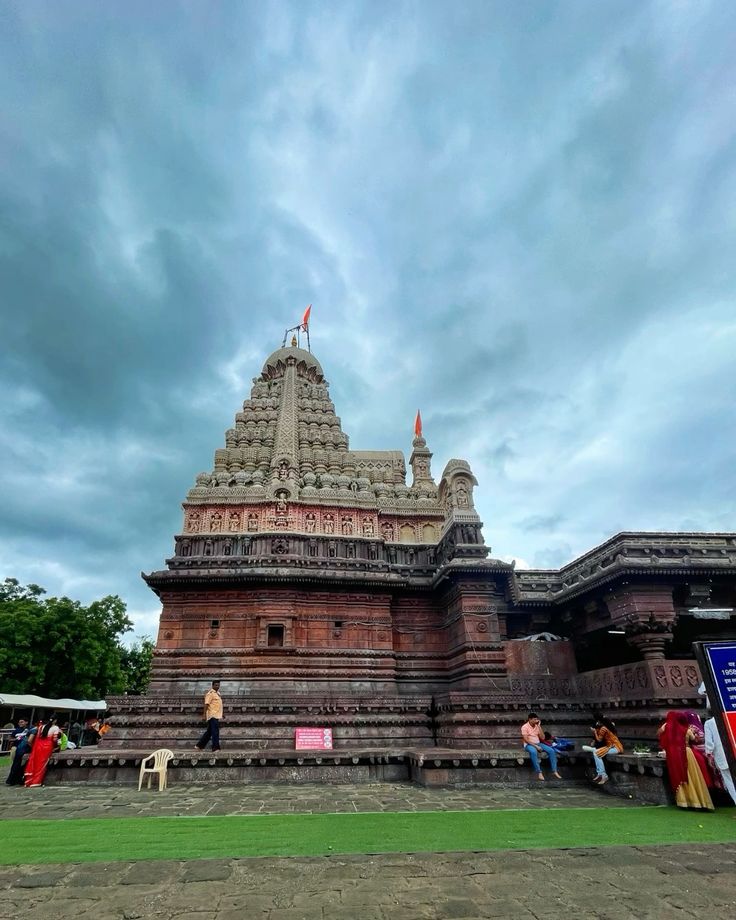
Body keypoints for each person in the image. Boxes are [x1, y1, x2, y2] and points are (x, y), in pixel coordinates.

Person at [659, 711, 714, 811]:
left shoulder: (667, 728)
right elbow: (695, 739)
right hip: (686, 753)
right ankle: (698, 801)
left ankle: (684, 802)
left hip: (674, 755)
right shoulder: (686, 729)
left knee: (679, 776)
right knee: (693, 776)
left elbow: (660, 735)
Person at [704, 713, 736, 806]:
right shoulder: (730, 718)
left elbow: (709, 743)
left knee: (729, 782)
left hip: (722, 755)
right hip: (733, 751)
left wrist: (709, 755)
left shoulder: (709, 723)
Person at [582, 715, 623, 785]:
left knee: (596, 753)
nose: (597, 723)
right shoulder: (609, 726)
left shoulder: (603, 728)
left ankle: (603, 775)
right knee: (595, 752)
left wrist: (594, 732)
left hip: (616, 748)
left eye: (598, 721)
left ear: (601, 722)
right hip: (611, 746)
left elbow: (599, 740)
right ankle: (600, 773)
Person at [521, 712, 561, 781]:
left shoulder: (537, 726)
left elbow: (543, 738)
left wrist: (539, 726)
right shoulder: (524, 727)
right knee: (533, 752)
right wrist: (536, 747)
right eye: (534, 719)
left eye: (537, 719)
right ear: (530, 719)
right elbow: (526, 740)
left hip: (538, 743)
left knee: (551, 750)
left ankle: (554, 771)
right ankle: (539, 772)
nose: (536, 721)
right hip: (529, 745)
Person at [24, 717, 61, 788]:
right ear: (55, 720)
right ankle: (36, 782)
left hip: (38, 745)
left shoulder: (41, 727)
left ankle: (29, 781)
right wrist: (57, 746)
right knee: (41, 765)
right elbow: (55, 739)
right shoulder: (56, 728)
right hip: (47, 746)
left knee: (35, 762)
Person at [195, 680, 223, 752]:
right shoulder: (210, 694)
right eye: (216, 685)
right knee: (215, 732)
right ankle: (215, 748)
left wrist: (222, 714)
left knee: (209, 732)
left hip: (217, 715)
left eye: (218, 685)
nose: (217, 686)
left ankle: (199, 746)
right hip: (212, 715)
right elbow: (206, 704)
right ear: (212, 685)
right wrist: (204, 715)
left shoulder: (218, 694)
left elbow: (218, 705)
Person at [5, 722, 33, 786]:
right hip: (16, 748)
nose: (20, 723)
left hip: (25, 749)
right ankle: (13, 780)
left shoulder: (29, 730)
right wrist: (16, 739)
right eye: (19, 722)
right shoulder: (16, 730)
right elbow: (9, 738)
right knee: (16, 763)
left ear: (26, 722)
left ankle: (18, 779)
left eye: (22, 722)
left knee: (22, 764)